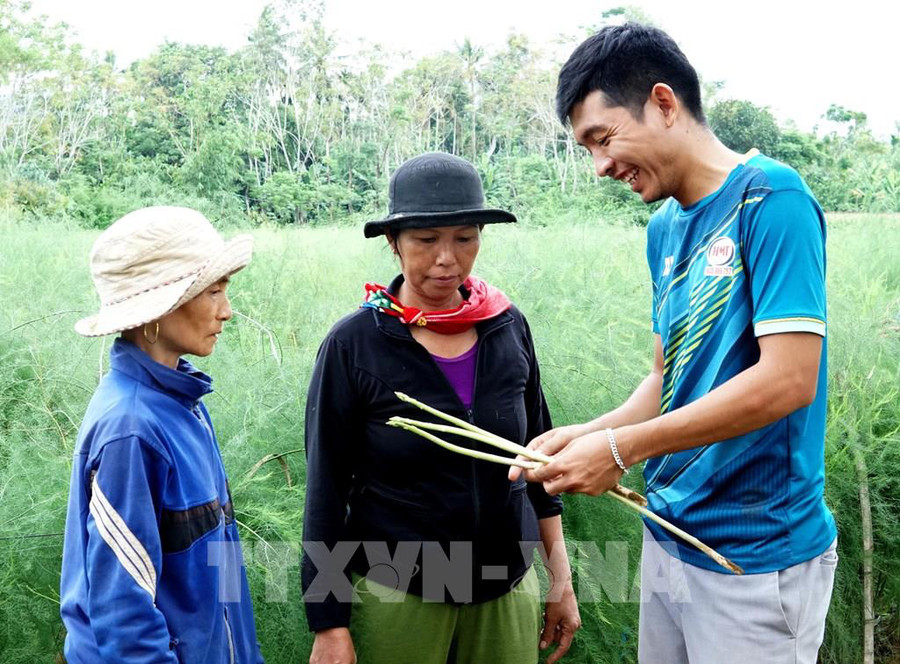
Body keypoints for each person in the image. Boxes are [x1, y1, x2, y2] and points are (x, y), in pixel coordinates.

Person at [511, 23, 838, 664]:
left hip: (753, 556)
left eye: (602, 139)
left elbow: (788, 379)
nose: (601, 166)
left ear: (664, 103)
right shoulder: (663, 228)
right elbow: (668, 379)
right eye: (587, 149)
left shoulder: (771, 200)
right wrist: (586, 434)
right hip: (670, 535)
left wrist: (618, 449)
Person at [302, 152, 580, 664]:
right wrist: (329, 623)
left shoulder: (507, 326)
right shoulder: (355, 344)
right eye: (426, 240)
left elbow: (540, 462)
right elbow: (325, 490)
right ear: (394, 243)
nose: (446, 258)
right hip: (397, 591)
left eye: (465, 237)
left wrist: (560, 580)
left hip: (504, 585)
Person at [60, 206, 264, 664]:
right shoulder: (131, 429)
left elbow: (220, 567)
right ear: (159, 308)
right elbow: (122, 615)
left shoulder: (184, 404)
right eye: (213, 291)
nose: (226, 311)